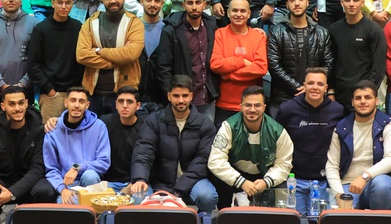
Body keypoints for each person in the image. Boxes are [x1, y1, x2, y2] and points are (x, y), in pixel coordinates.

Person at [127, 75, 219, 210]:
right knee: (137, 197)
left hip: (192, 182)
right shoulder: (153, 121)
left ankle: (200, 222)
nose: (181, 100)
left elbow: (202, 161)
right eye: (176, 96)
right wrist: (140, 178)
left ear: (191, 96)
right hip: (159, 182)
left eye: (185, 96)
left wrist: (178, 190)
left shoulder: (205, 124)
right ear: (169, 96)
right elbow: (143, 152)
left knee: (207, 196)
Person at [0, 85, 57, 206]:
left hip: (29, 182)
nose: (17, 108)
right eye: (11, 104)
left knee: (45, 191)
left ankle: (34, 217)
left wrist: (12, 193)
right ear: (3, 106)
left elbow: (37, 169)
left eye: (20, 103)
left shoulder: (38, 130)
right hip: (0, 180)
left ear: (26, 103)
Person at [209, 87, 294, 208]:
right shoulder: (228, 126)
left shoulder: (278, 131)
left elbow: (284, 165)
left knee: (281, 185)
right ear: (241, 106)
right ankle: (225, 216)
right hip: (236, 175)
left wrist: (266, 182)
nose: (252, 110)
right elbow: (215, 161)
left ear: (264, 107)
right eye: (248, 105)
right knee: (220, 179)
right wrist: (241, 182)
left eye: (257, 105)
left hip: (265, 175)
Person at [278, 67, 348, 214]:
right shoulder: (287, 109)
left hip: (324, 182)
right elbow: (278, 144)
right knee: (295, 221)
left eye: (320, 84)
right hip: (294, 180)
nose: (315, 87)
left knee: (321, 222)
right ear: (304, 86)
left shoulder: (337, 110)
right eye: (310, 83)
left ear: (326, 88)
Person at [325, 83, 391, 211]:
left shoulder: (388, 124)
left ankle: (380, 222)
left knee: (382, 184)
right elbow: (332, 166)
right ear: (352, 102)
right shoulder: (342, 127)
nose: (363, 101)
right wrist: (339, 194)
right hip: (347, 185)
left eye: (367, 97)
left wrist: (364, 177)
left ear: (376, 101)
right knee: (335, 215)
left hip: (375, 182)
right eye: (358, 98)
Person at [77, 0, 145, 116]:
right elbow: (82, 55)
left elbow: (131, 54)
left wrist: (98, 51)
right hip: (93, 94)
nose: (113, 1)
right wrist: (119, 60)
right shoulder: (90, 22)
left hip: (124, 94)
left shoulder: (135, 23)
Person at [265, 0, 333, 118]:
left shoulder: (322, 33)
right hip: (283, 99)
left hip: (315, 98)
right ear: (287, 4)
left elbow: (328, 64)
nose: (297, 3)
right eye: (292, 0)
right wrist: (298, 88)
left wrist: (311, 87)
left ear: (307, 2)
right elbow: (274, 66)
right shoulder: (276, 31)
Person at [159, 0, 219, 118]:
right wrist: (172, 95)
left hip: (207, 97)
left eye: (198, 2)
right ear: (183, 5)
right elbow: (163, 68)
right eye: (190, 3)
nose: (194, 7)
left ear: (204, 5)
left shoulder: (212, 27)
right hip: (182, 100)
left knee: (207, 131)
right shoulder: (171, 31)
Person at [43, 87, 111, 204]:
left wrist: (77, 167)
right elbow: (51, 168)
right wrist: (62, 189)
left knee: (90, 175)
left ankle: (94, 210)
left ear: (87, 105)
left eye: (81, 101)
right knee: (68, 209)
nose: (77, 105)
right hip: (67, 185)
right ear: (66, 103)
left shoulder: (99, 126)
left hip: (91, 182)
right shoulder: (53, 129)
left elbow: (104, 162)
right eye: (73, 100)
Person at [210, 0, 269, 124]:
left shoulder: (258, 37)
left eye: (243, 11)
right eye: (235, 10)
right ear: (228, 12)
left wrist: (228, 75)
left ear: (249, 14)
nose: (238, 14)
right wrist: (242, 62)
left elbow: (261, 68)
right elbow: (216, 64)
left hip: (252, 105)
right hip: (224, 104)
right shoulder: (219, 34)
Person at [27, 0, 82, 122]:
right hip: (51, 94)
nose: (63, 6)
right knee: (51, 132)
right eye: (60, 2)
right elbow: (33, 65)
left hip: (75, 93)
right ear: (52, 3)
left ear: (72, 5)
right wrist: (49, 90)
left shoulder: (78, 27)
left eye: (67, 3)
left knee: (75, 132)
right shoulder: (41, 29)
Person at [326, 0, 387, 103]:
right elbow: (331, 62)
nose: (351, 4)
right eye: (347, 0)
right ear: (341, 3)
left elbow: (379, 67)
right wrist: (331, 90)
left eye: (355, 0)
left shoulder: (373, 30)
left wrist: (367, 93)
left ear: (362, 3)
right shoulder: (334, 29)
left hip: (363, 96)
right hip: (339, 95)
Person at [100, 88, 144, 190]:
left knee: (141, 198)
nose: (124, 105)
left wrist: (137, 180)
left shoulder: (146, 127)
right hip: (108, 182)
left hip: (135, 182)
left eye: (129, 102)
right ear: (116, 104)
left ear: (138, 106)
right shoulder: (105, 122)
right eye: (121, 101)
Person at [136, 0, 170, 111]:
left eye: (157, 0)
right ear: (141, 1)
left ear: (162, 3)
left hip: (160, 98)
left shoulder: (168, 29)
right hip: (134, 95)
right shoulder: (131, 27)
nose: (153, 4)